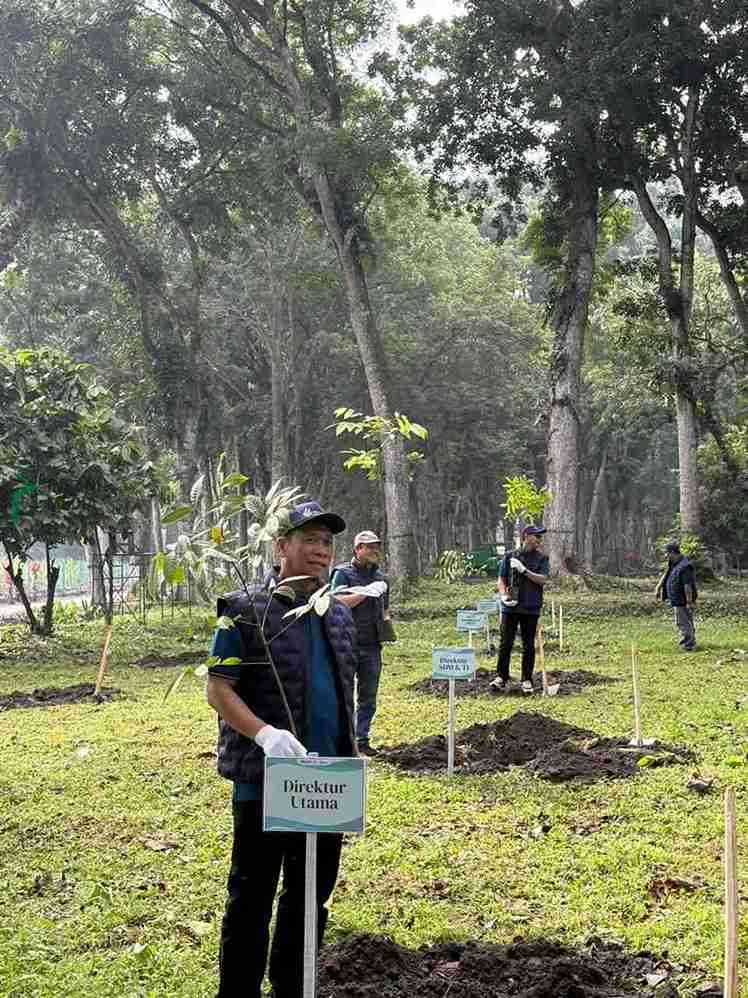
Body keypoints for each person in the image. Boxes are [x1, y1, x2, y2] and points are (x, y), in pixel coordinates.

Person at [205, 500, 357, 998]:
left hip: (328, 780)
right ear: (280, 547)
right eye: (309, 539)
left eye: (327, 542)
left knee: (311, 895)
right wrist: (265, 735)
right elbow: (218, 688)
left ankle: (293, 986)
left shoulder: (337, 615)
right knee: (251, 896)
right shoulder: (243, 611)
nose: (320, 550)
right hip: (265, 782)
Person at [330, 530, 392, 756]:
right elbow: (335, 602)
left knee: (368, 697)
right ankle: (342, 741)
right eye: (370, 546)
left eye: (377, 546)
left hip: (372, 645)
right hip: (346, 643)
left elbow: (385, 608)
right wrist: (364, 593)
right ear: (357, 549)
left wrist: (387, 626)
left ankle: (362, 739)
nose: (375, 550)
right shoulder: (342, 574)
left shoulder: (381, 578)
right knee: (343, 694)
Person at [490, 525, 550, 693]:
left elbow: (543, 579)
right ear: (526, 536)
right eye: (536, 536)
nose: (539, 540)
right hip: (510, 606)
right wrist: (503, 595)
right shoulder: (509, 556)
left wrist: (524, 570)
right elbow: (501, 579)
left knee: (528, 644)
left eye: (540, 537)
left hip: (530, 607)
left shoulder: (542, 558)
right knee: (505, 642)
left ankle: (527, 680)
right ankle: (501, 677)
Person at [655, 541, 697, 651]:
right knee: (685, 621)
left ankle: (688, 645)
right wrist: (658, 587)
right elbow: (666, 574)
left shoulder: (685, 566)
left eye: (667, 553)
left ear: (673, 552)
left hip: (682, 600)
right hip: (677, 599)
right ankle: (690, 642)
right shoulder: (674, 563)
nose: (666, 556)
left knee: (683, 622)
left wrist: (689, 602)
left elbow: (687, 585)